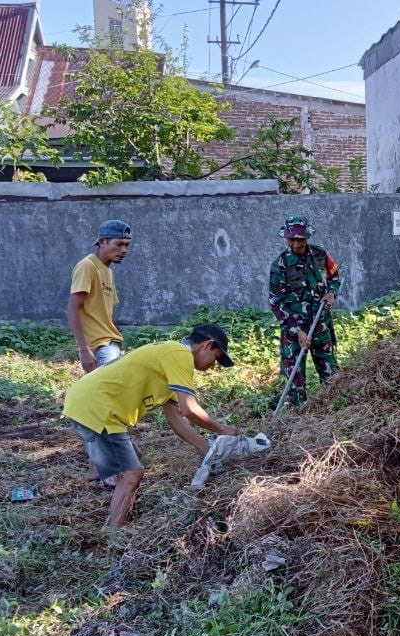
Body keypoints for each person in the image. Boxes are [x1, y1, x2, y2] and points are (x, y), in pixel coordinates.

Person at [62, 324, 240, 527]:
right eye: (216, 358)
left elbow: (176, 419)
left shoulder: (172, 358)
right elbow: (190, 409)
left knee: (132, 463)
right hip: (96, 406)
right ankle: (115, 534)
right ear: (208, 345)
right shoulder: (180, 354)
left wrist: (209, 451)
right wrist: (223, 429)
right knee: (132, 474)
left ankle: (117, 513)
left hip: (92, 403)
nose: (212, 366)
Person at [268, 215, 341, 405]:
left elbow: (334, 276)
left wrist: (332, 293)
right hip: (294, 330)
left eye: (300, 239)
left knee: (331, 373)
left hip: (320, 325)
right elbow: (276, 302)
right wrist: (296, 331)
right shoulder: (280, 265)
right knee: (295, 379)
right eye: (292, 239)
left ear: (307, 237)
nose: (296, 243)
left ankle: (336, 410)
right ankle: (299, 415)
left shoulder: (321, 254)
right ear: (286, 238)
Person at [68, 219, 131, 373]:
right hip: (100, 347)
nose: (124, 250)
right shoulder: (88, 266)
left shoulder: (108, 271)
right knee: (111, 390)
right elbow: (72, 308)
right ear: (103, 242)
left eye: (127, 245)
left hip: (110, 343)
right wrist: (84, 349)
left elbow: (104, 314)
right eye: (119, 244)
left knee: (105, 393)